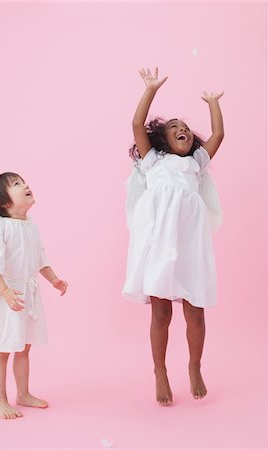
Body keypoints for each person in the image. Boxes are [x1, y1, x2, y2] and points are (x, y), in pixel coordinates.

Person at [122, 67, 224, 406]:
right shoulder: (153, 161)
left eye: (184, 128)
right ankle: (160, 370)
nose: (181, 130)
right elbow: (137, 124)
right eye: (173, 128)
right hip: (160, 243)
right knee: (161, 312)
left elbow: (218, 135)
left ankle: (195, 365)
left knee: (196, 310)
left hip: (190, 244)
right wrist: (150, 89)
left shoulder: (196, 162)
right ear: (161, 141)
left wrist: (212, 103)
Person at [0, 172, 68, 419]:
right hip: (9, 296)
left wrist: (54, 279)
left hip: (28, 295)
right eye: (17, 184)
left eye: (23, 181)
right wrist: (6, 292)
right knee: (2, 348)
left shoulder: (30, 225)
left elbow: (40, 258)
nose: (25, 185)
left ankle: (23, 393)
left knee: (24, 347)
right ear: (4, 203)